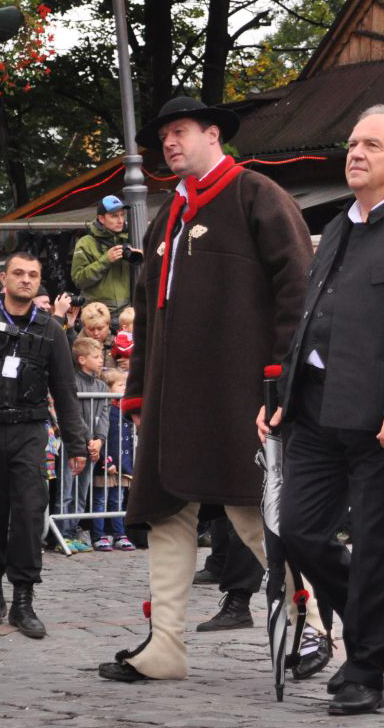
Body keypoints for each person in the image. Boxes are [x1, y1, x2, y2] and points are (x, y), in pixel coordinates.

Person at [97, 96, 311, 683]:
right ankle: (165, 646)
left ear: (213, 134)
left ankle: (310, 624)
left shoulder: (257, 195)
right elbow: (147, 313)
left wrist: (279, 377)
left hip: (238, 395)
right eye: (163, 135)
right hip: (171, 401)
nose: (169, 142)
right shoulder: (168, 214)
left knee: (251, 512)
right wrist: (138, 393)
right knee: (167, 514)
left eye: (181, 131)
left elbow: (299, 291)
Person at [263, 104, 384, 715]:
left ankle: (365, 669)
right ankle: (378, 625)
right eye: (352, 142)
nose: (355, 153)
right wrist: (280, 398)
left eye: (371, 145)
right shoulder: (335, 228)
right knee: (299, 529)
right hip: (315, 408)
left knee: (377, 543)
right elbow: (307, 321)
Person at [0, 251, 88, 637]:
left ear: (39, 282)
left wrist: (76, 444)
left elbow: (65, 389)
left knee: (29, 513)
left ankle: (23, 601)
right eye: (19, 273)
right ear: (3, 278)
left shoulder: (50, 330)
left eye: (33, 275)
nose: (26, 280)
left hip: (29, 431)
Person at [59, 336, 110, 552]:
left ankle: (73, 531)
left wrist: (100, 440)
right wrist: (89, 438)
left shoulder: (102, 386)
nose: (101, 360)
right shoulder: (72, 382)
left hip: (92, 446)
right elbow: (74, 414)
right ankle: (62, 534)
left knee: (82, 492)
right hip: (73, 443)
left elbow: (104, 415)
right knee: (66, 490)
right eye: (96, 357)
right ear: (81, 359)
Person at [70, 194, 138, 320]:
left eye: (122, 215)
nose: (120, 220)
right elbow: (79, 280)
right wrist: (106, 260)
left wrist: (143, 256)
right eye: (114, 216)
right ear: (101, 218)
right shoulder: (85, 243)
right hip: (97, 315)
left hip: (126, 315)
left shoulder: (131, 239)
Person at [101, 369, 135, 551]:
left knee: (118, 500)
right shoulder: (107, 410)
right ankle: (99, 534)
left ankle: (119, 533)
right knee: (100, 501)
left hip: (123, 465)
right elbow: (102, 437)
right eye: (121, 385)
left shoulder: (125, 410)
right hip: (107, 464)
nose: (125, 388)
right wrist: (107, 461)